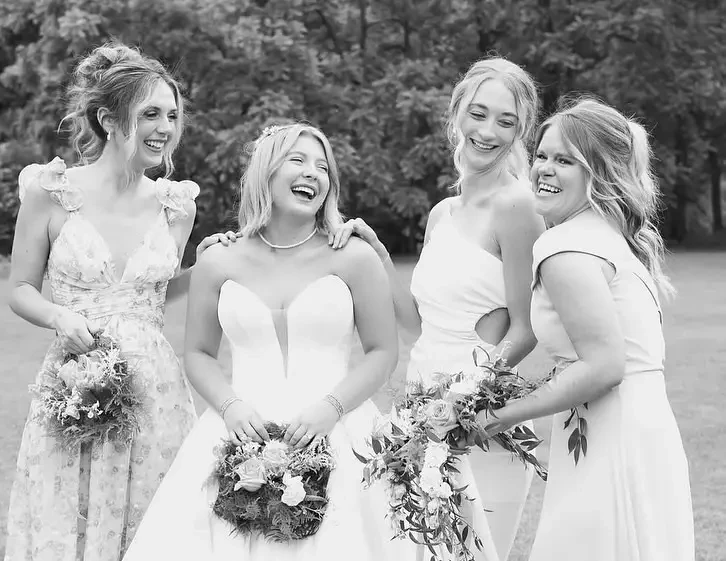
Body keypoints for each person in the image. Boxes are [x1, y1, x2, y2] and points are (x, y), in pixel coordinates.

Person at [121, 122, 417, 560]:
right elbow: (199, 354)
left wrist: (330, 409)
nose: (313, 173)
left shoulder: (354, 256)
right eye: (297, 160)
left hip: (337, 426)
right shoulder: (218, 259)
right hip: (239, 427)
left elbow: (383, 352)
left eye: (323, 167)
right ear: (265, 172)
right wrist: (231, 406)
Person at [331, 57, 545, 560]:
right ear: (457, 114)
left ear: (521, 133)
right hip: (418, 409)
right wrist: (379, 254)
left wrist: (462, 402)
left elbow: (526, 329)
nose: (487, 131)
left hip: (481, 421)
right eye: (479, 113)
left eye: (506, 121)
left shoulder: (518, 207)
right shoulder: (442, 213)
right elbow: (418, 327)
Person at [4, 42, 203, 560]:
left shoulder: (176, 206)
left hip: (155, 392)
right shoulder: (50, 191)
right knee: (65, 515)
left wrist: (210, 268)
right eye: (151, 114)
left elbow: (156, 297)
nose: (166, 126)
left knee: (151, 525)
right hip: (74, 382)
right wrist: (58, 315)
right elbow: (19, 289)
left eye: (173, 115)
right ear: (109, 119)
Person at [479, 97, 695, 560]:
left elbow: (603, 367)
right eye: (541, 156)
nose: (544, 170)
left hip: (613, 436)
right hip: (638, 426)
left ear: (598, 172)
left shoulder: (566, 248)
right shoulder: (606, 237)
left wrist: (499, 415)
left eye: (565, 161)